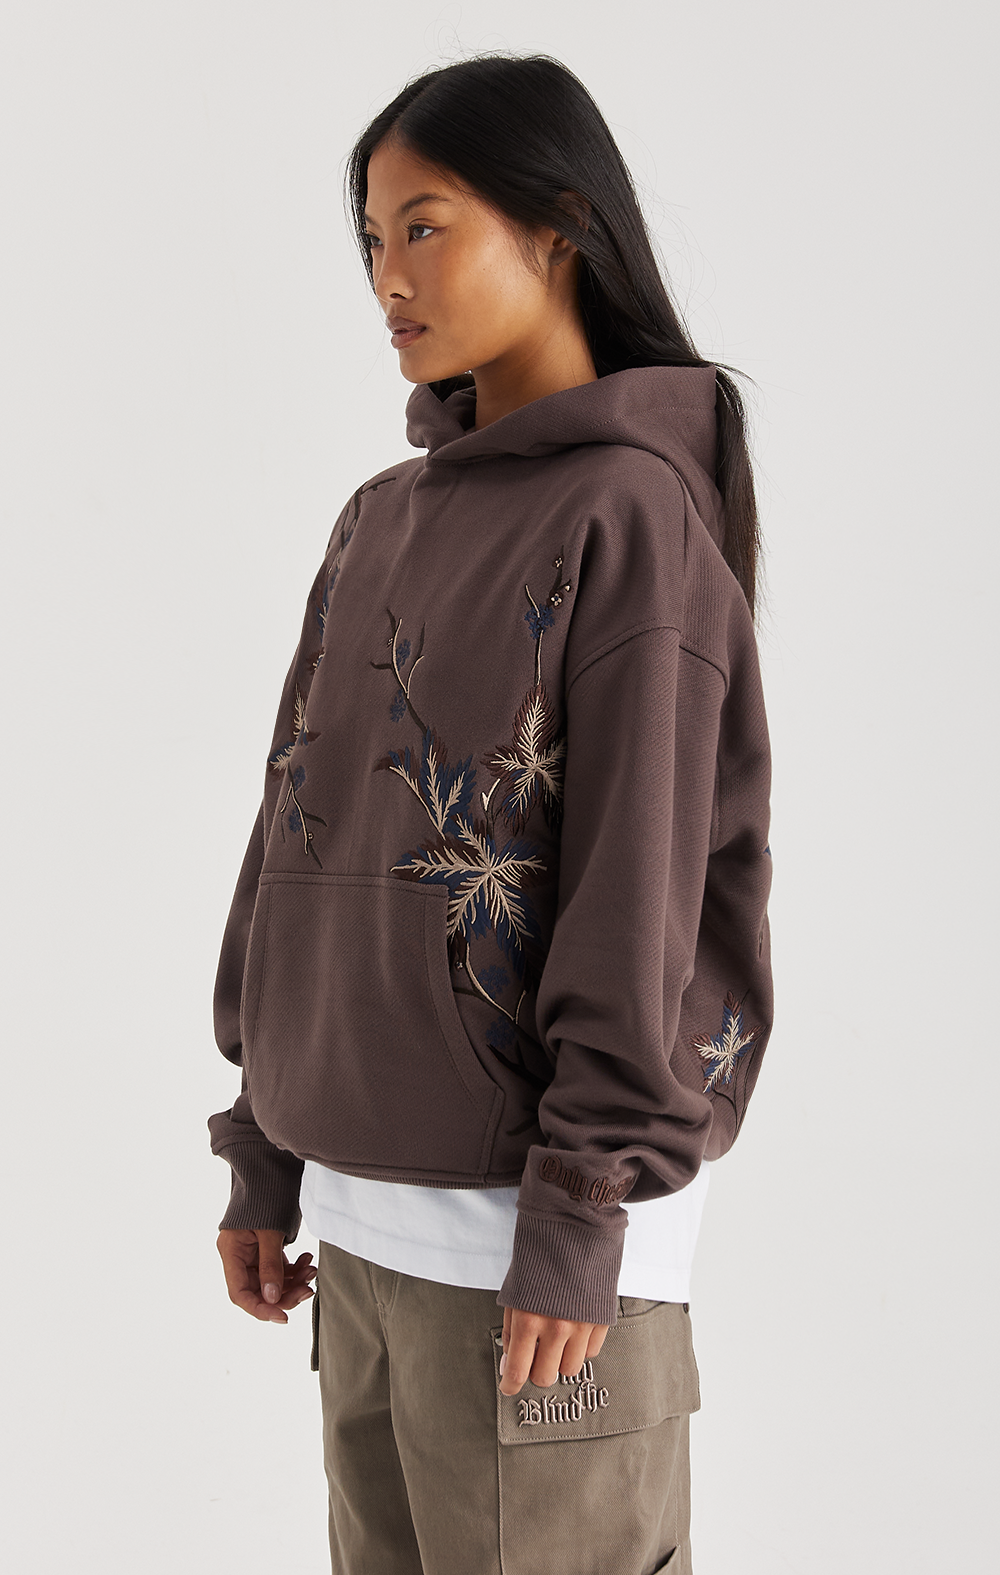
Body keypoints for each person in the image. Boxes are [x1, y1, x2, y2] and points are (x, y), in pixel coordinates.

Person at [208, 51, 774, 1575]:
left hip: (540, 1259)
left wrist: (582, 1210)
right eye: (370, 240)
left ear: (558, 227)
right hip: (363, 1242)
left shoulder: (633, 514)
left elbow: (640, 889)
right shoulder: (378, 521)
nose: (387, 276)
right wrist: (265, 1145)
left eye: (426, 226)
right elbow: (293, 833)